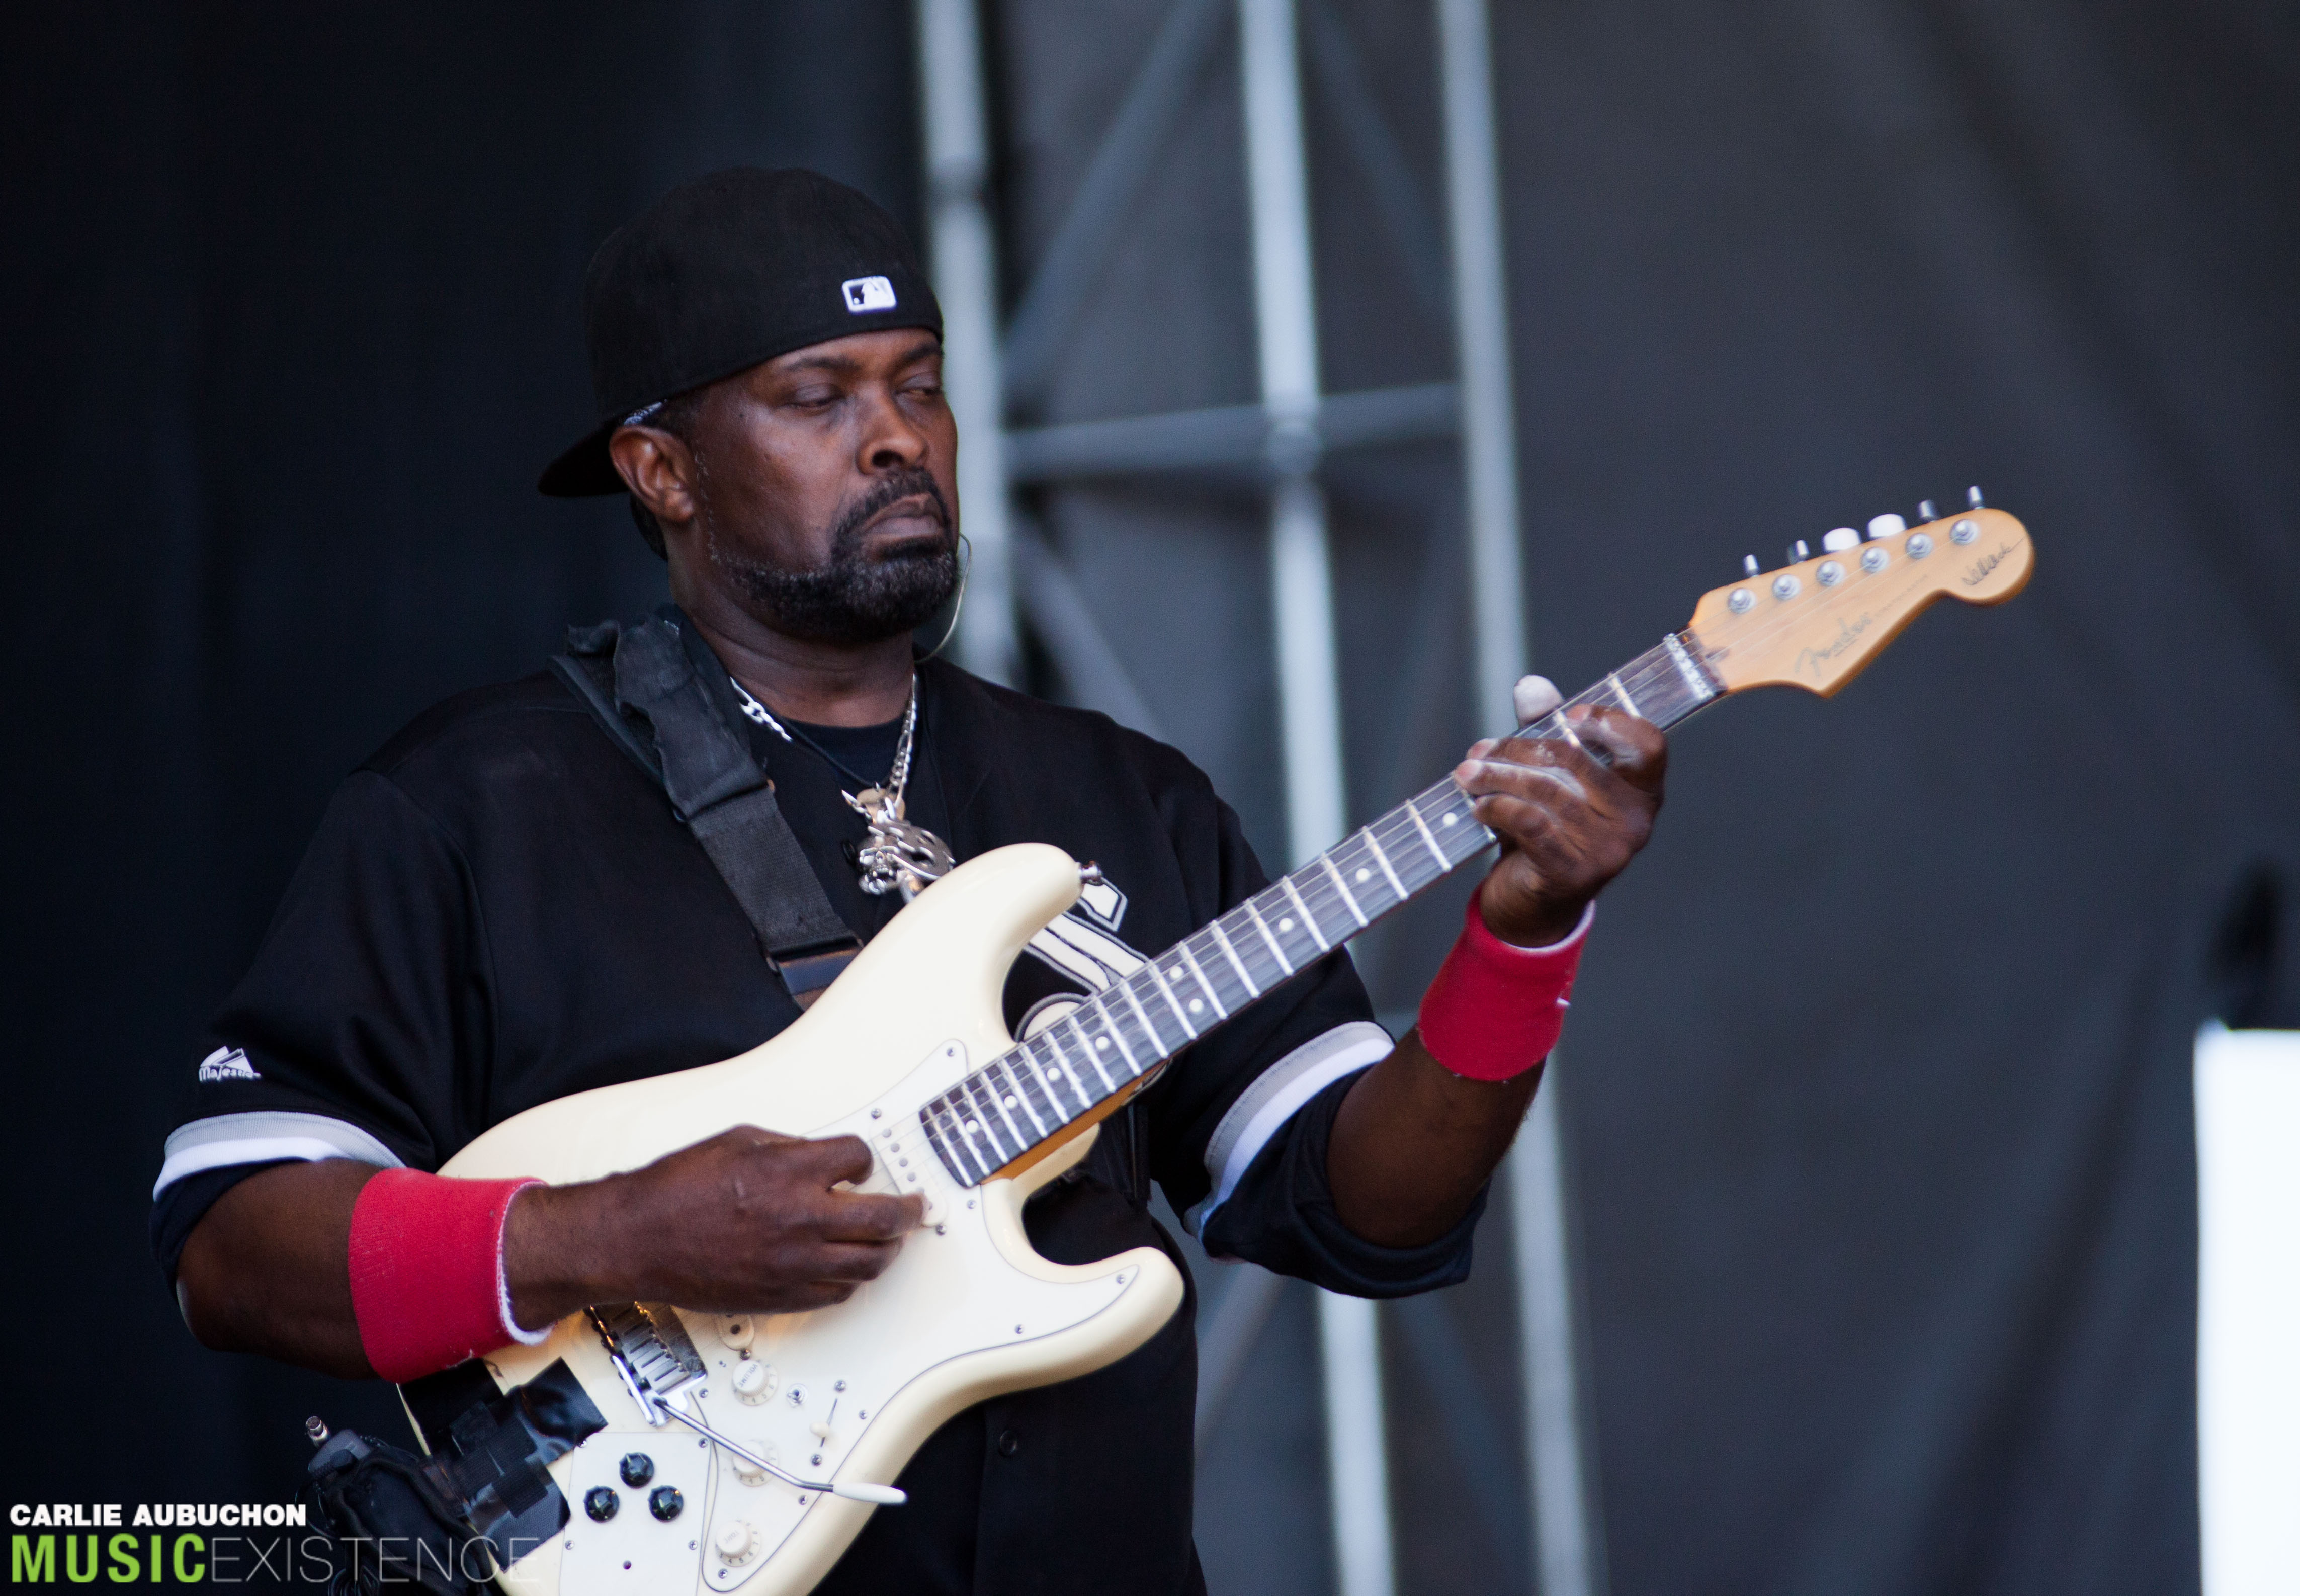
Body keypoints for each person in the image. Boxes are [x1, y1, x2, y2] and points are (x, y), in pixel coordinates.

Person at [154, 168, 1666, 1595]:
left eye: (919, 386)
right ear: (662, 470)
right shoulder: (472, 807)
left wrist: (1523, 932)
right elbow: (234, 1241)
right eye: (818, 398)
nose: (897, 441)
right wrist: (612, 1235)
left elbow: (1370, 1212)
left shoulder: (1121, 797)